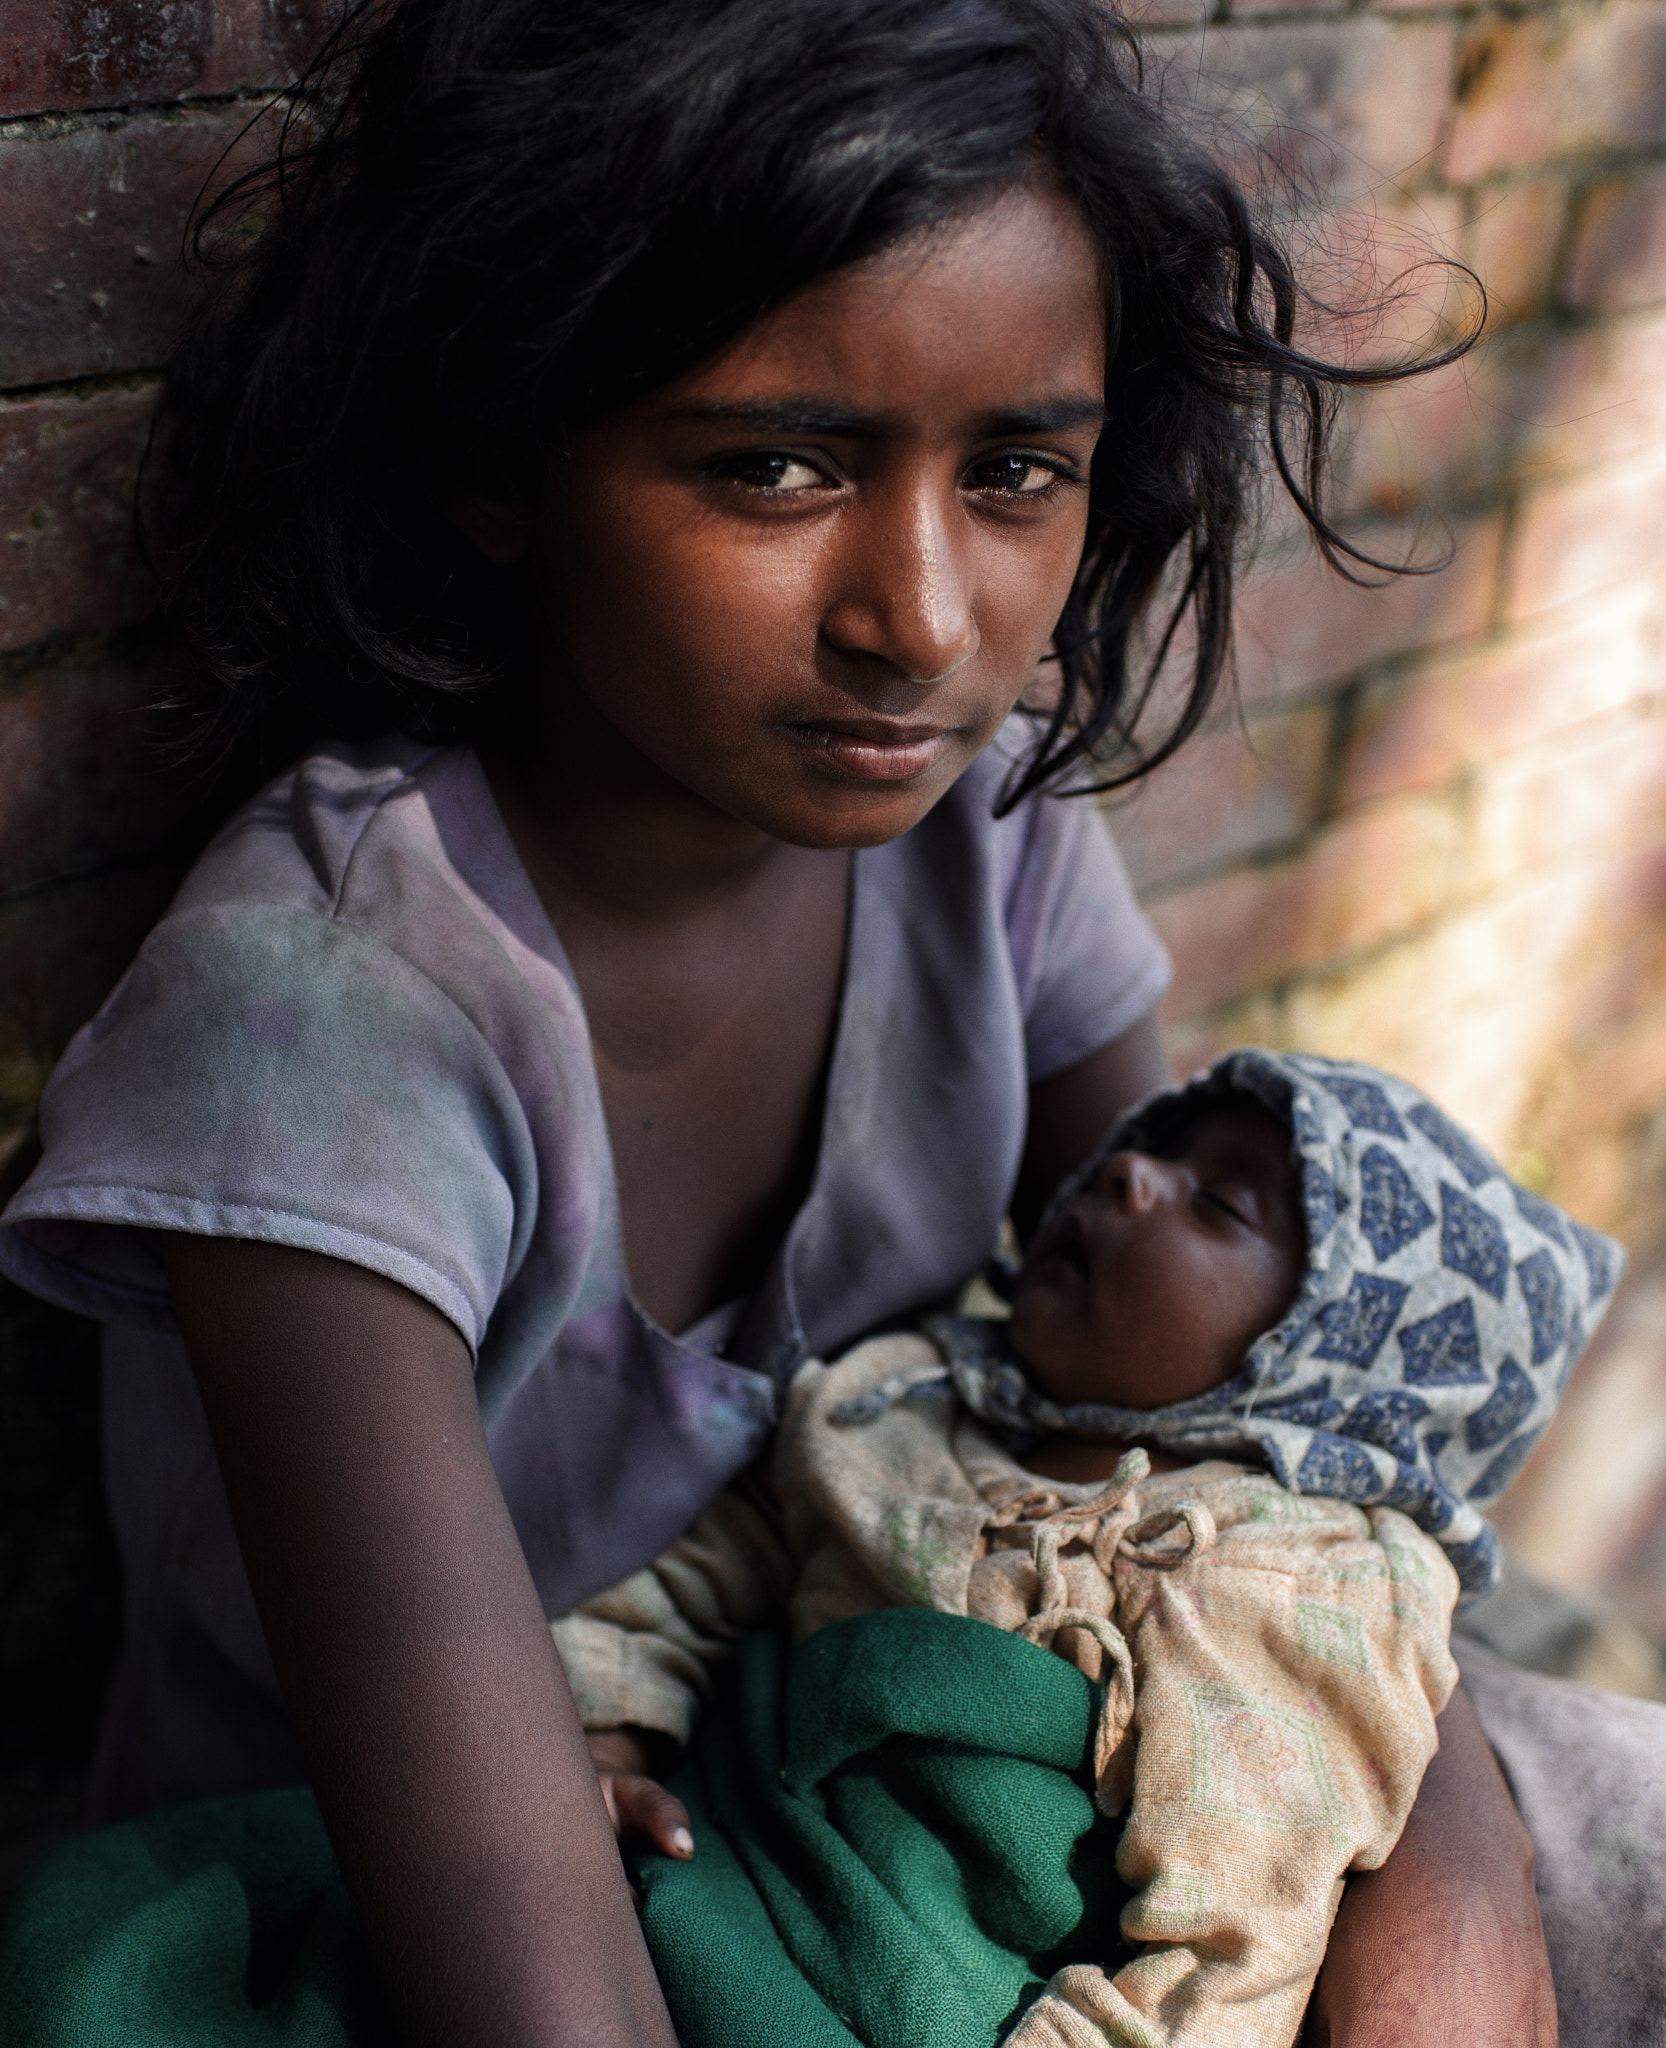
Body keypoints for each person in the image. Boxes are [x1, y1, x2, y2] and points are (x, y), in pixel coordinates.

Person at [0, 0, 1619, 2042]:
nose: (921, 623)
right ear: (507, 460)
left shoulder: (984, 846)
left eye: (1016, 469)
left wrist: (1440, 1882)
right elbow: (538, 1990)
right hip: (383, 1909)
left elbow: (1255, 1413)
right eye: (773, 466)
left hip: (870, 1799)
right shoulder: (327, 1021)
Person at [551, 1048, 1623, 2048]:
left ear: (1326, 1363)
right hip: (735, 1854)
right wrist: (610, 1737)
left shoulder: (1275, 1572)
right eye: (1146, 1146)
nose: (1129, 1175)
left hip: (964, 1990)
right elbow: (705, 1573)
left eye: (1218, 1201)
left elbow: (1236, 1937)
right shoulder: (895, 1402)